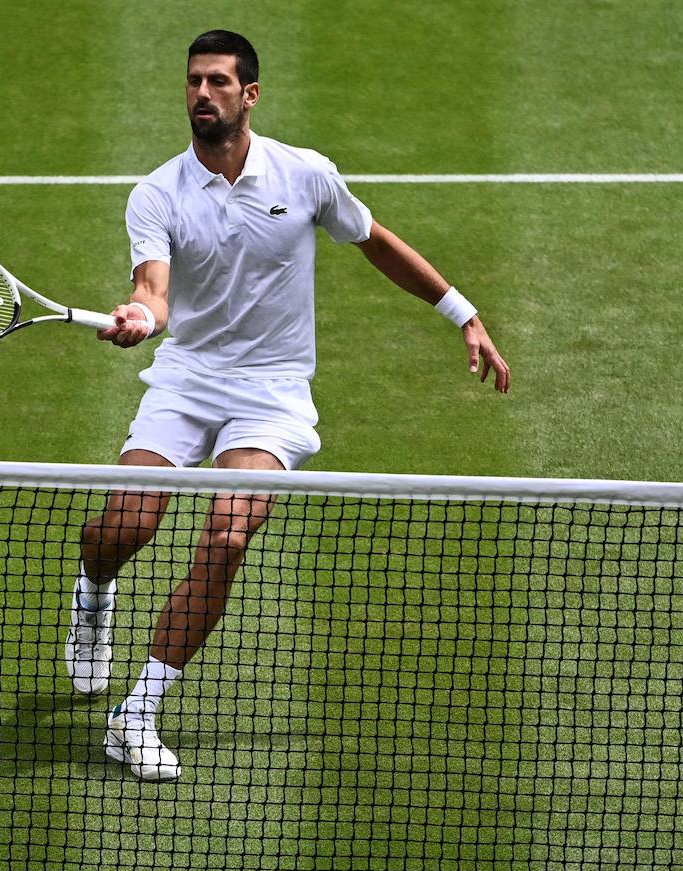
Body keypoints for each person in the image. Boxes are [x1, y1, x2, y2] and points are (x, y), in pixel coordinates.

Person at [66, 29, 510, 781]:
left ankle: (134, 714)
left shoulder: (304, 176)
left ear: (250, 94)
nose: (201, 94)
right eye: (192, 82)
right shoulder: (156, 193)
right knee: (129, 524)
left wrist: (461, 312)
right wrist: (142, 314)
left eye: (216, 82)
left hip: (271, 393)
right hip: (187, 380)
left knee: (230, 536)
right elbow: (153, 287)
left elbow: (374, 241)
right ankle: (94, 590)